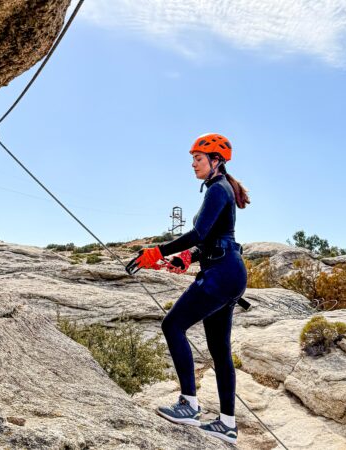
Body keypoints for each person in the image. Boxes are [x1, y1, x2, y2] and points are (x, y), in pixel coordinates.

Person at [133, 133, 250, 444]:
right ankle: (227, 424)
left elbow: (199, 233)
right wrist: (187, 258)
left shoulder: (217, 189)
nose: (193, 165)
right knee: (219, 351)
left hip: (222, 273)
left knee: (172, 325)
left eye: (198, 159)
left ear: (215, 161)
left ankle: (188, 405)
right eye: (193, 159)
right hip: (228, 271)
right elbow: (212, 238)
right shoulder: (221, 188)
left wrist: (159, 251)